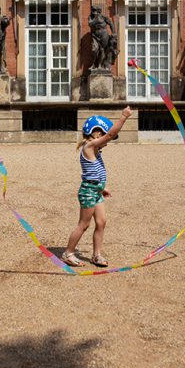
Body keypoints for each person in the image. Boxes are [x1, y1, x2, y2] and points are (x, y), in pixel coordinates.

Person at [62, 107, 133, 268]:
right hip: (88, 192)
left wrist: (102, 188)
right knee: (84, 224)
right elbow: (110, 134)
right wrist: (123, 117)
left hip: (96, 191)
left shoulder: (96, 150)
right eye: (105, 139)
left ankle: (96, 255)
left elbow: (95, 173)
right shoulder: (88, 147)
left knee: (101, 222)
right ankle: (68, 253)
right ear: (97, 133)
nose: (107, 142)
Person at [88, 5, 117, 70]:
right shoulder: (90, 17)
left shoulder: (104, 17)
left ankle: (100, 65)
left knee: (102, 50)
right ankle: (93, 64)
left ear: (98, 11)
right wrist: (96, 18)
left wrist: (113, 33)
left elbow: (111, 23)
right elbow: (90, 24)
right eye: (92, 10)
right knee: (94, 49)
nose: (93, 12)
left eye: (94, 10)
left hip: (104, 35)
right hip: (95, 35)